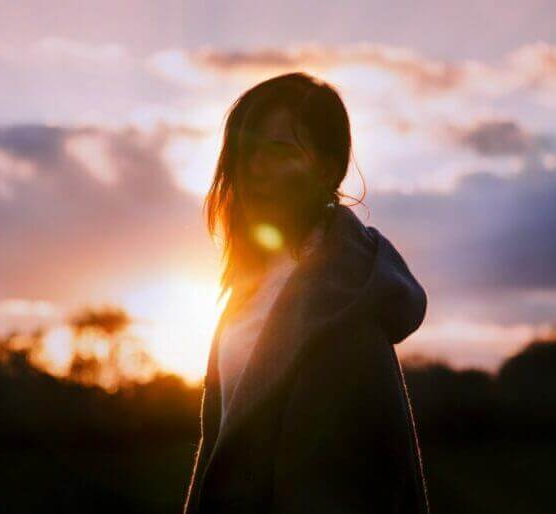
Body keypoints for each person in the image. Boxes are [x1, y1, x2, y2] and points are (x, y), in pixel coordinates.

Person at [183, 71, 430, 514]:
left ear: (327, 167)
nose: (254, 168)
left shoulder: (343, 305)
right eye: (246, 151)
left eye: (278, 151)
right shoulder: (252, 288)